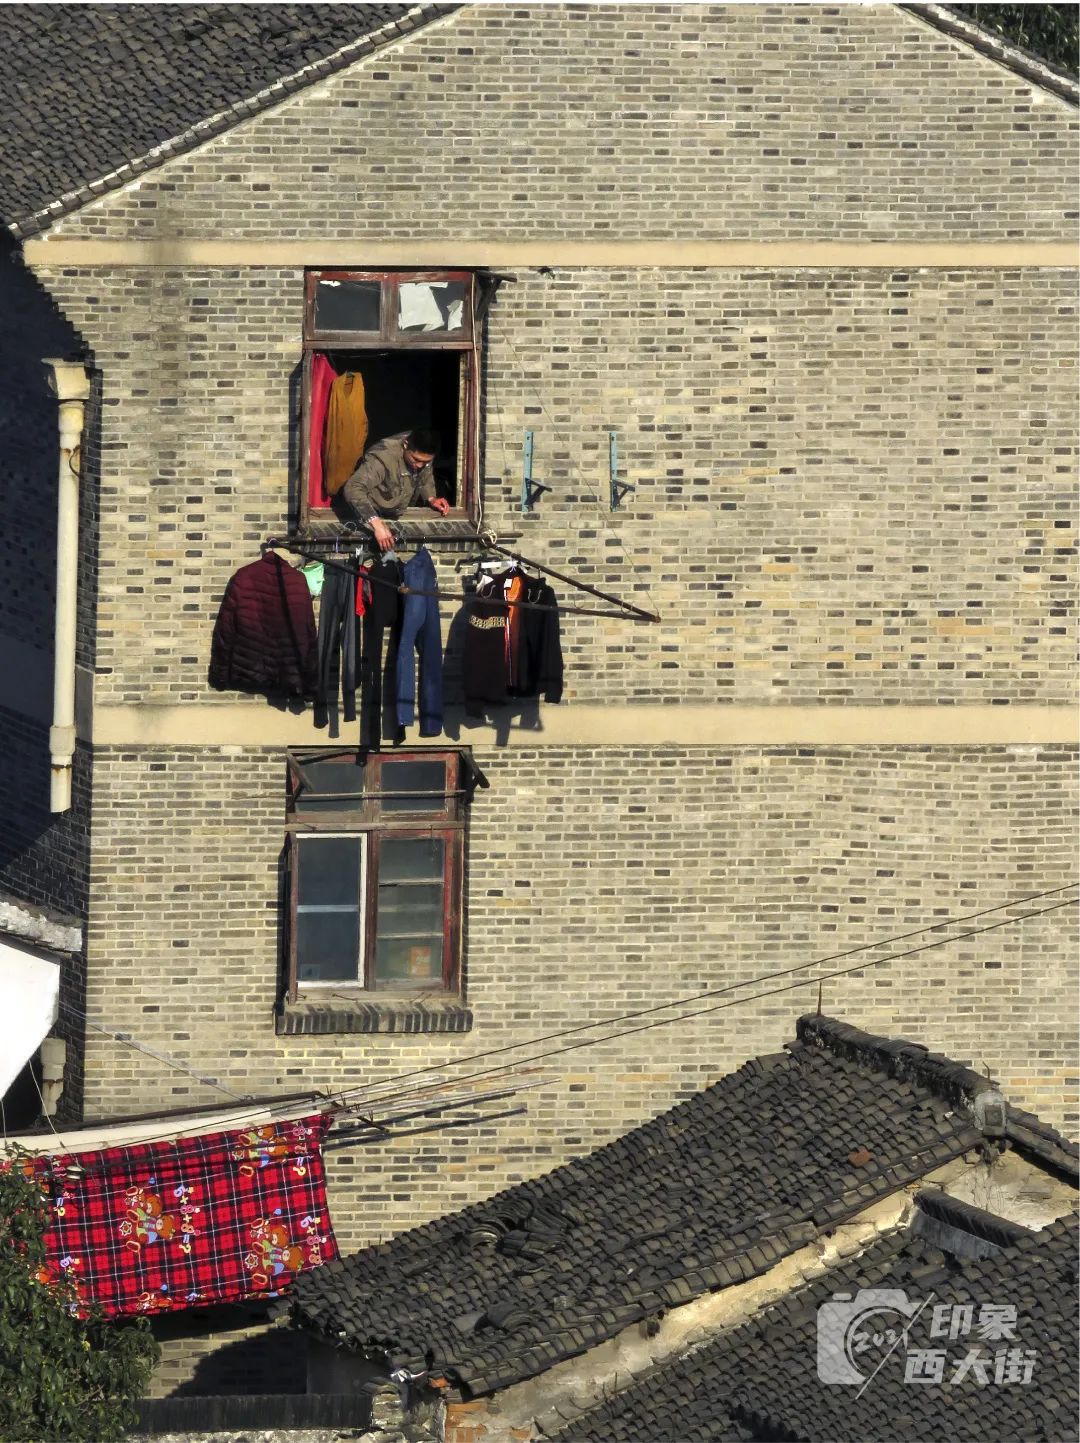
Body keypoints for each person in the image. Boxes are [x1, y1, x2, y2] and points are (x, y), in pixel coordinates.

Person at [339, 427, 450, 551]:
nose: (420, 465)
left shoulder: (423, 453)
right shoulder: (383, 457)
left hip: (397, 511)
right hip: (372, 514)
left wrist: (431, 497)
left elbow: (425, 475)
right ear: (406, 444)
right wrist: (376, 523)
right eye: (416, 459)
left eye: (426, 462)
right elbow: (353, 488)